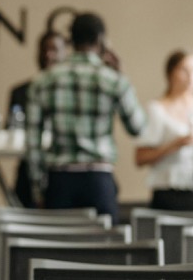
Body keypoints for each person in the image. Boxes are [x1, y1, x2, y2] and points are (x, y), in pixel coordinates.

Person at [25, 12, 145, 217]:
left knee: (58, 248)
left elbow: (33, 143)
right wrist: (123, 76)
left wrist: (38, 187)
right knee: (105, 248)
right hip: (99, 178)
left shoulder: (44, 80)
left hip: (60, 180)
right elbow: (137, 127)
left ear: (70, 39)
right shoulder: (113, 80)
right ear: (101, 40)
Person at [134, 50, 193, 211]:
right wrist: (174, 145)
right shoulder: (157, 109)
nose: (191, 77)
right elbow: (140, 157)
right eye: (184, 70)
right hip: (167, 189)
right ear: (171, 73)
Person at [8, 31, 68, 207]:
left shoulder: (73, 95)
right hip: (29, 171)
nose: (48, 55)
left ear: (66, 53)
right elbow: (11, 130)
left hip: (62, 170)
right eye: (44, 50)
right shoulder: (21, 92)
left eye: (55, 49)